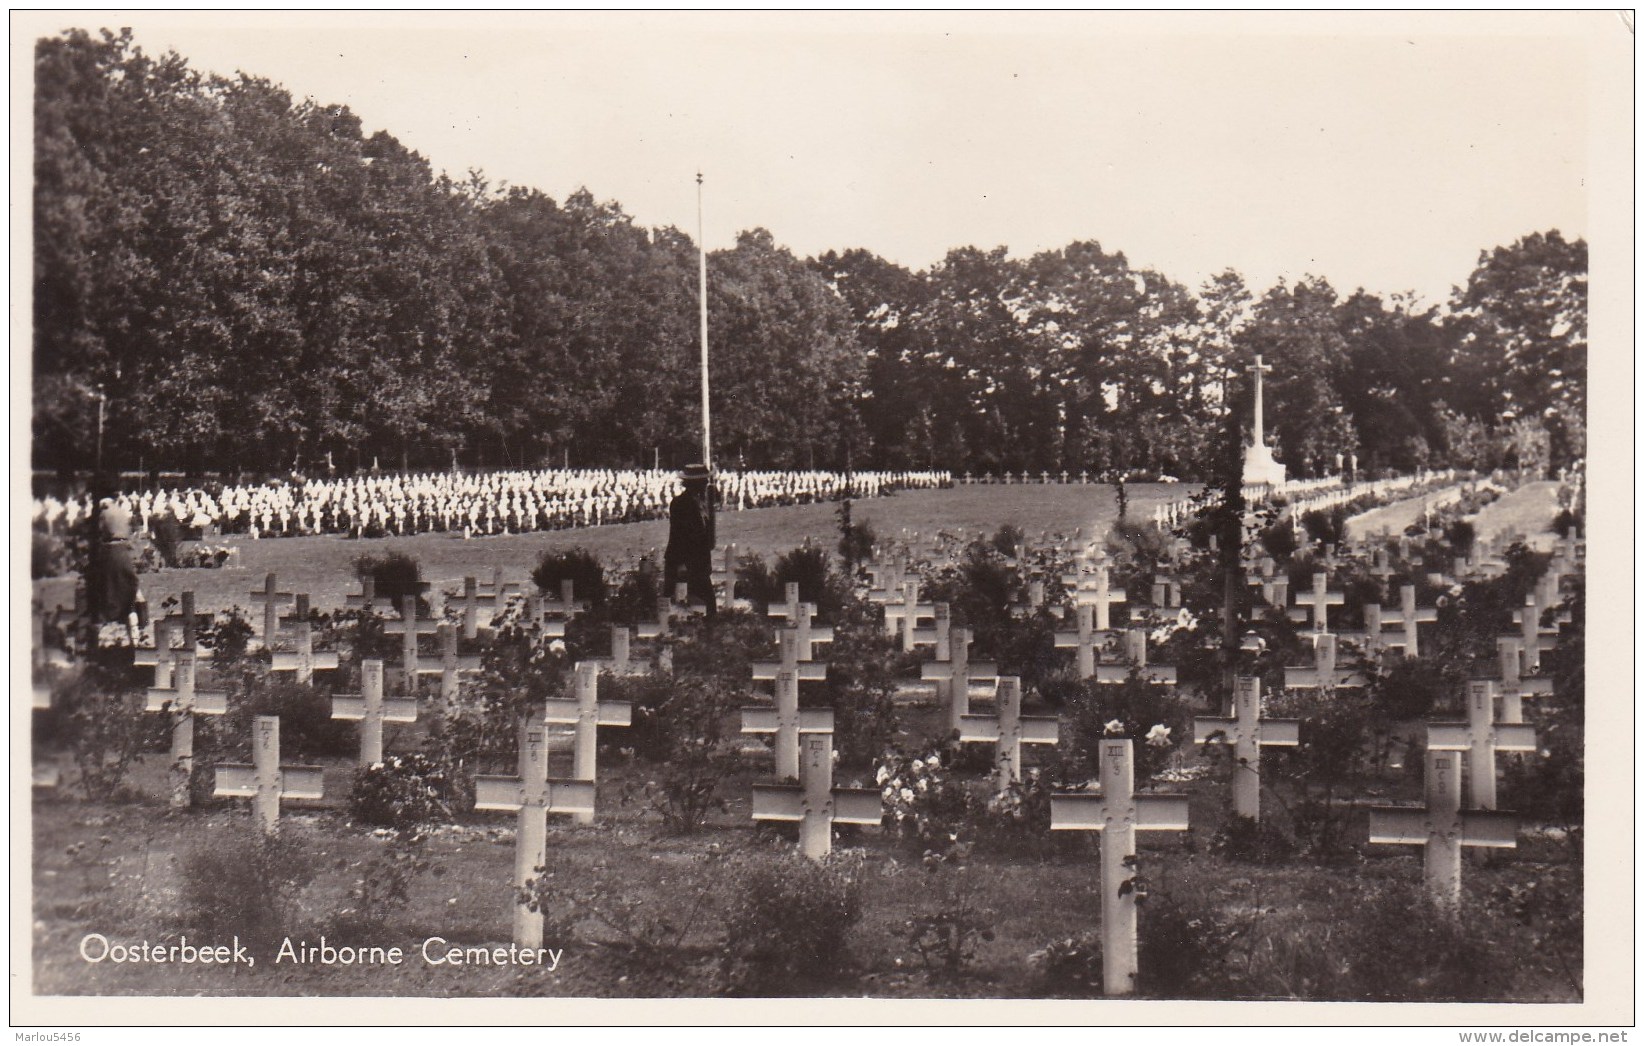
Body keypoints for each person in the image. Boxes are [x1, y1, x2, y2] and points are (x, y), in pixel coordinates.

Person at [663, 463, 716, 620]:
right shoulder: (680, 504)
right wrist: (681, 564)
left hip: (698, 564)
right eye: (704, 481)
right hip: (684, 563)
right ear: (695, 483)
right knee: (677, 607)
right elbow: (680, 536)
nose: (707, 483)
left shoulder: (700, 503)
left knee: (706, 606)